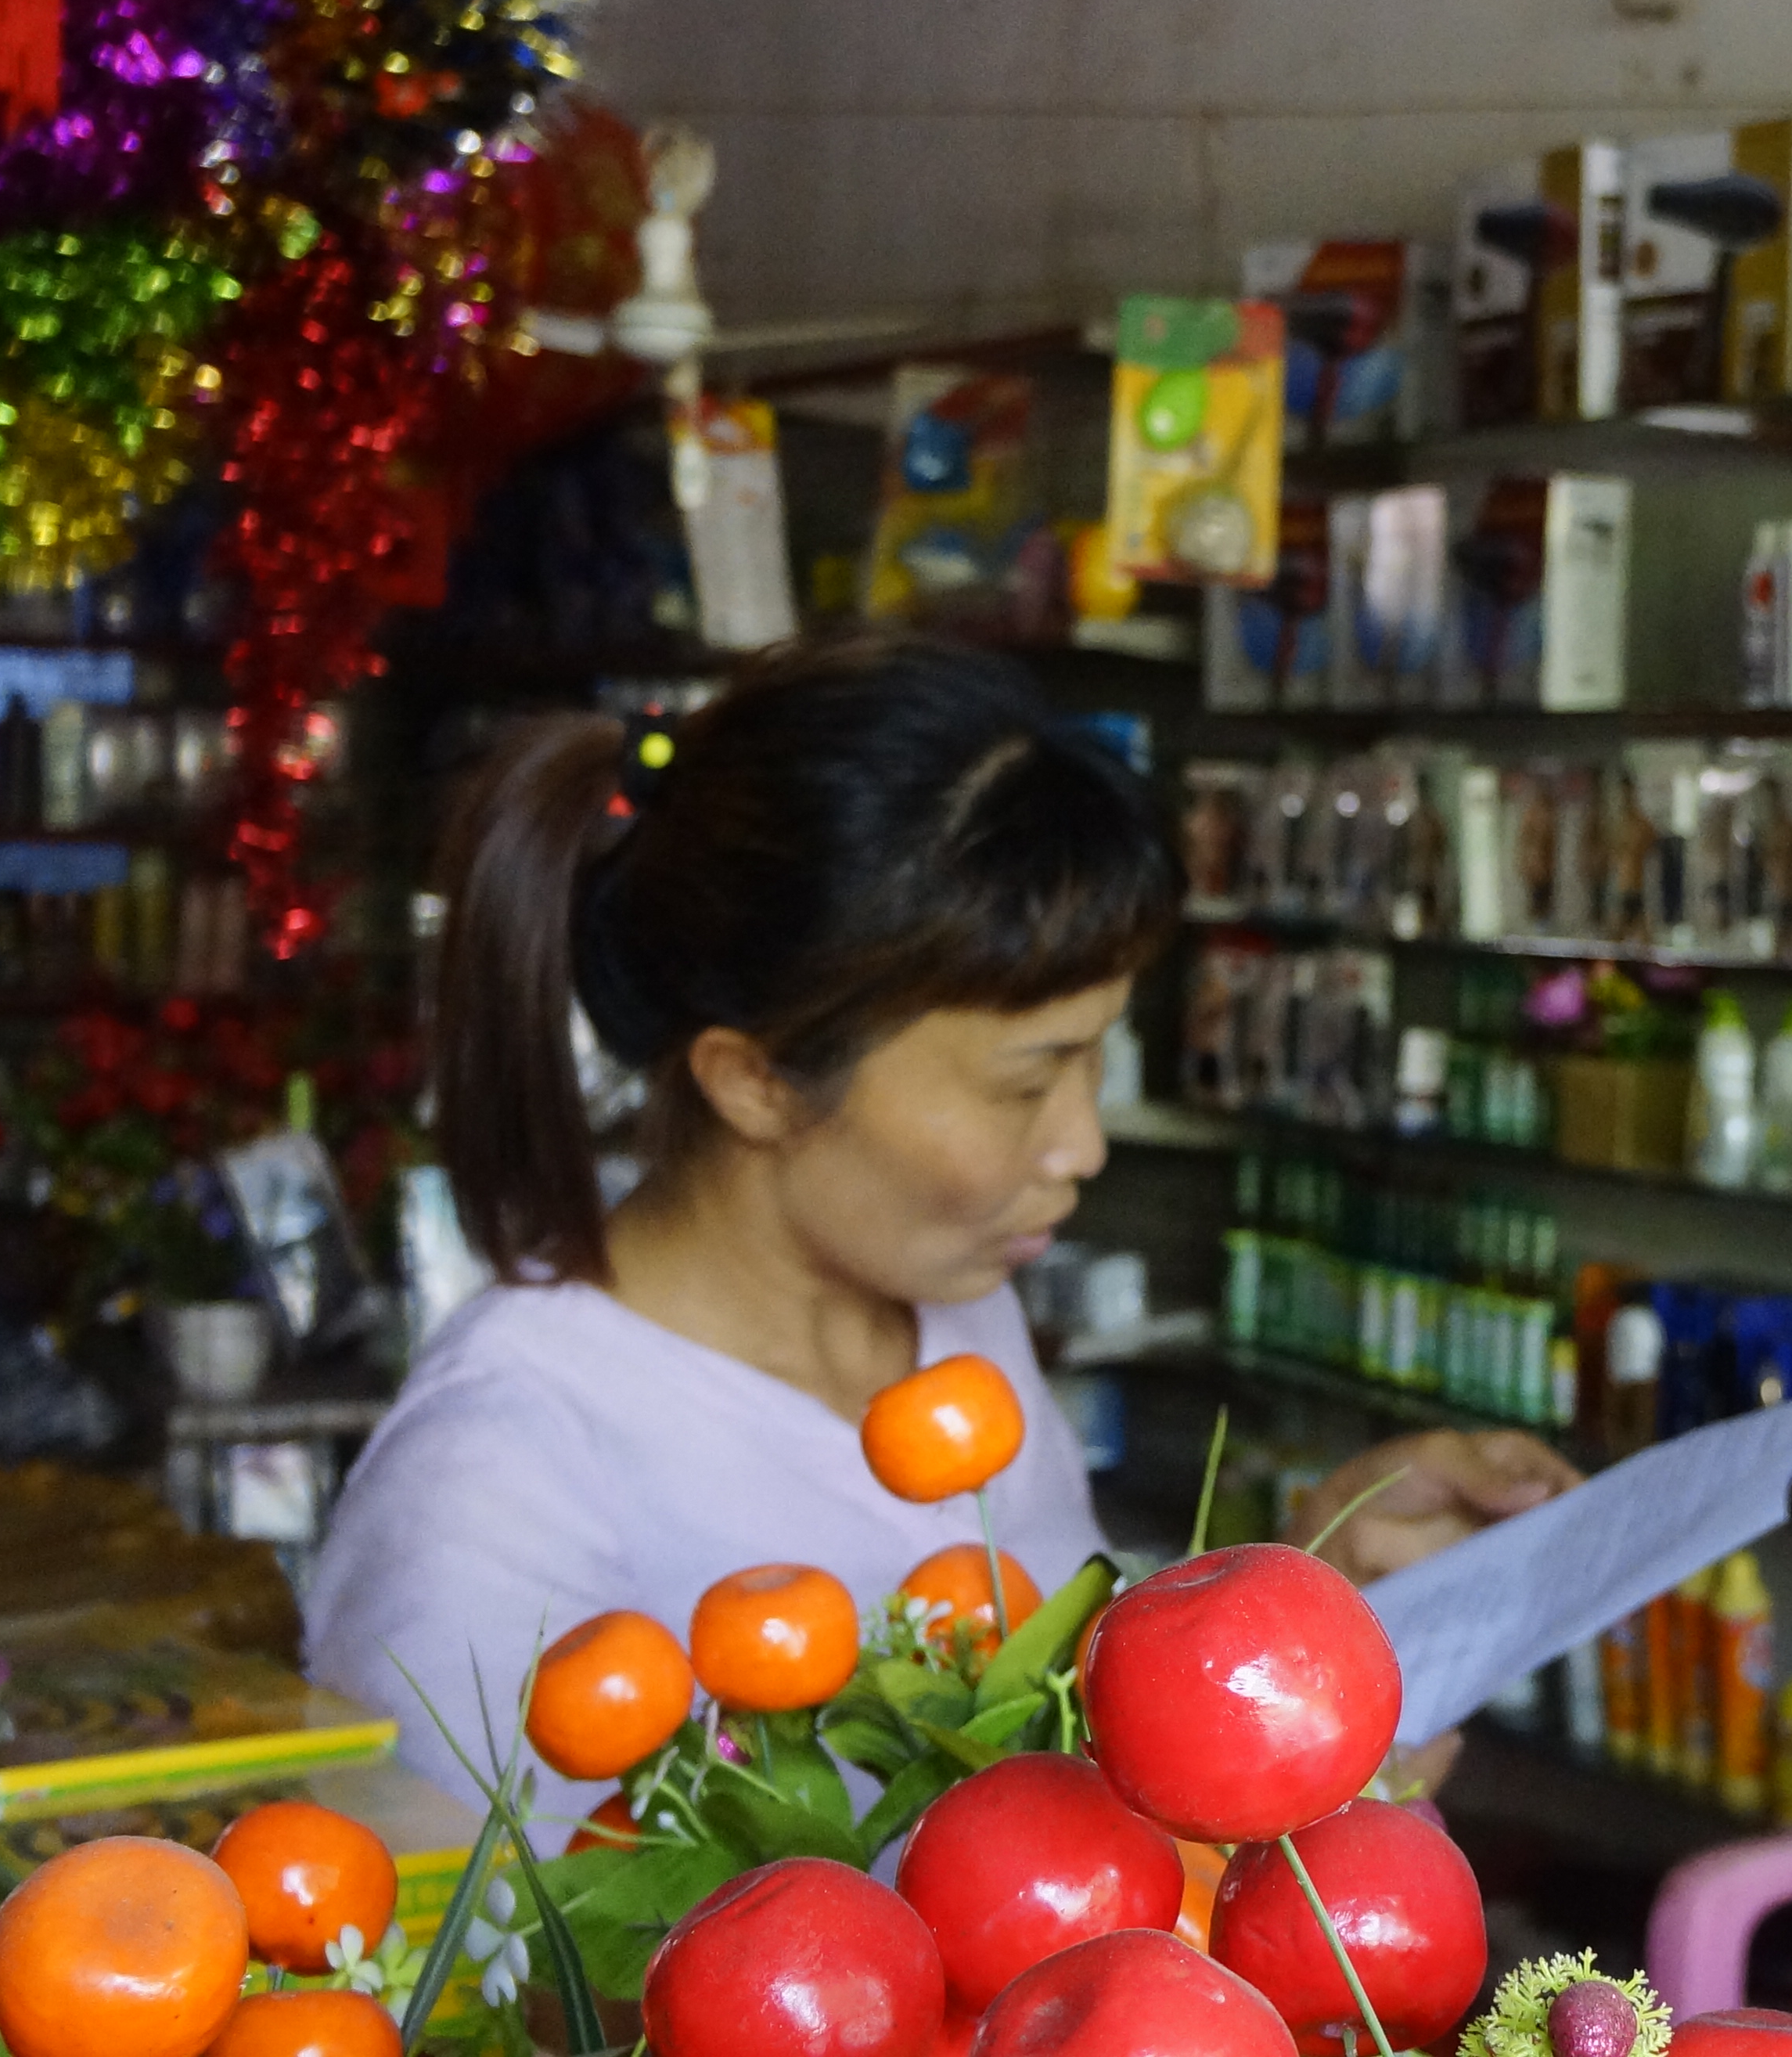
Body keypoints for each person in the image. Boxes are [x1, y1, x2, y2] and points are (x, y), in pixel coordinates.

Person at [308, 631, 1576, 1810]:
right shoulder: (499, 1480)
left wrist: (1303, 1598)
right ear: (755, 1080)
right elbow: (474, 1991)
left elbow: (1056, 1740)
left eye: (1096, 1064)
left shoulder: (958, 1314)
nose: (1080, 1147)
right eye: (1029, 1080)